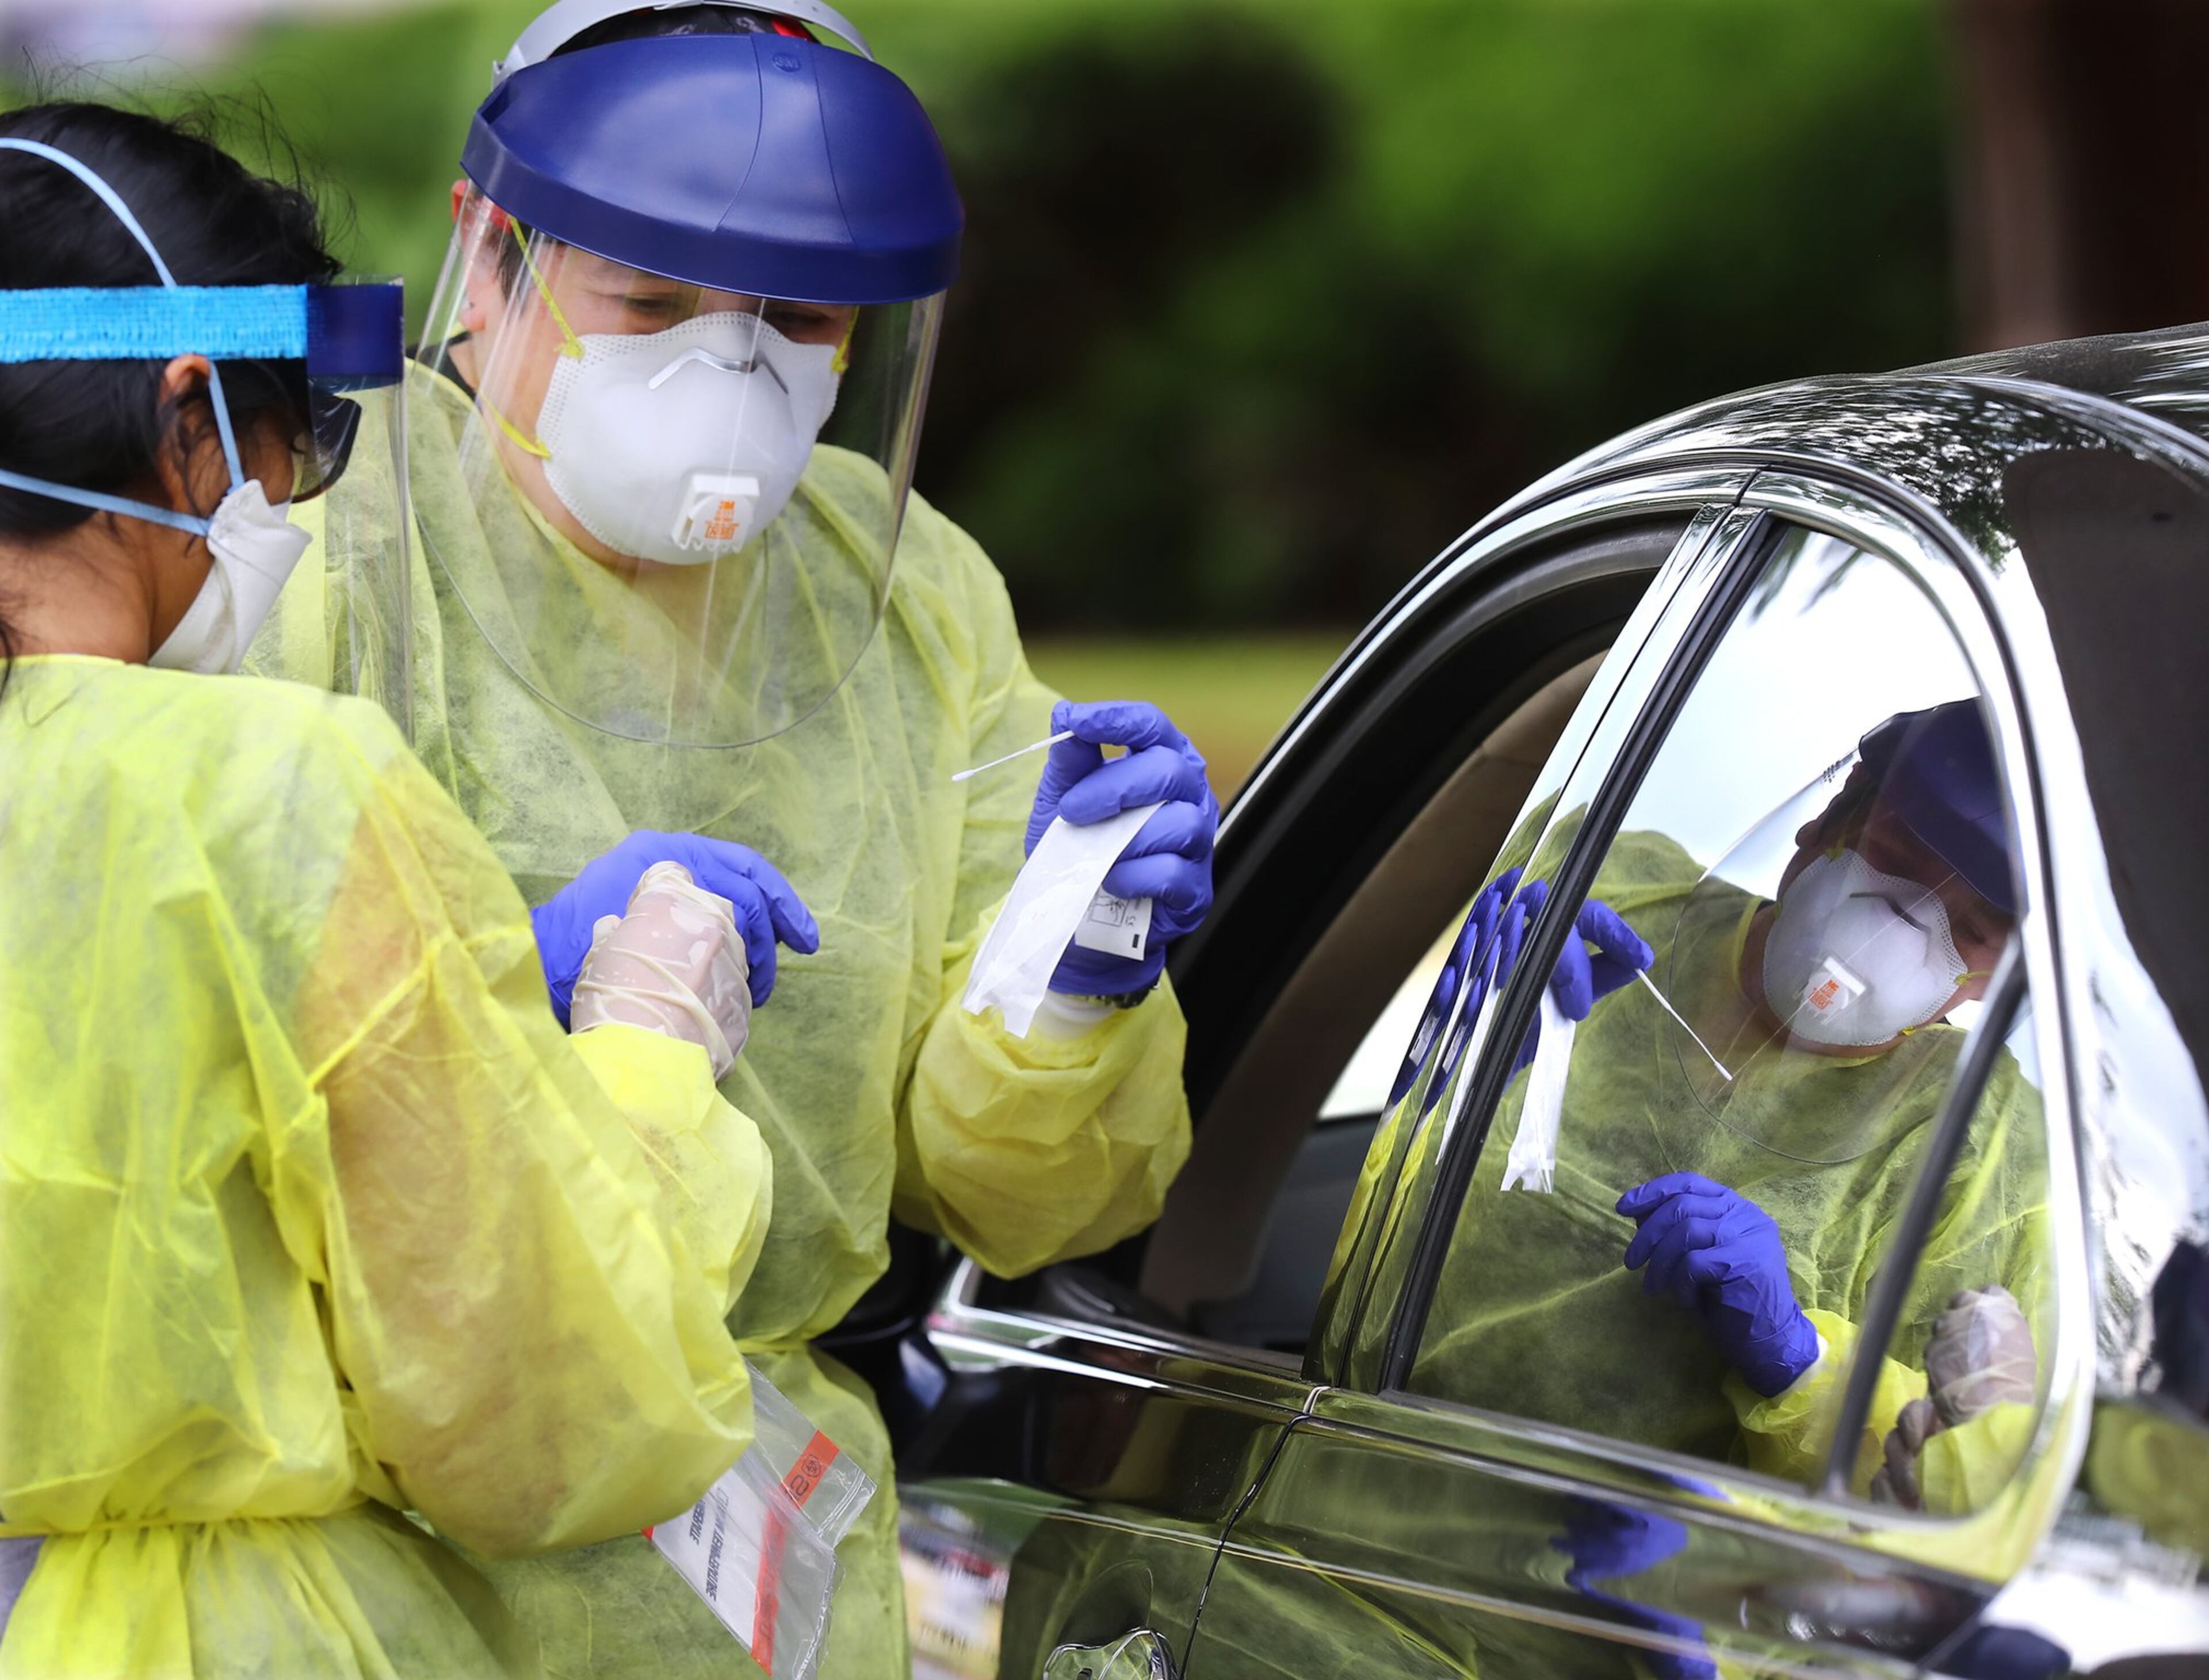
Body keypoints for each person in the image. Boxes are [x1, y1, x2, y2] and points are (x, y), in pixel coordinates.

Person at [253, 6, 1214, 1674]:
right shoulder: (311, 541)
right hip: (378, 1531)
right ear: (492, 271)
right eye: (651, 299)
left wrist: (1071, 978)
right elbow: (137, 1050)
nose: (732, 365)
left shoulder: (905, 595)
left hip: (745, 1540)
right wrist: (492, 979)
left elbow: (1004, 1197)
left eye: (799, 316)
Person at [0, 102, 789, 1677]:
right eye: (298, 448)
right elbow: (552, 1412)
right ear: (191, 423)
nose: (286, 513)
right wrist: (641, 1058)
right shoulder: (274, 790)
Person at [1405, 699, 2047, 1509]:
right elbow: (1376, 1225)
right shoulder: (1602, 896)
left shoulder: (1980, 1152)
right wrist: (1453, 1063)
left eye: (1974, 929)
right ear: (1828, 820)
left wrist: (1801, 1362)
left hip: (1632, 1606)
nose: (1899, 931)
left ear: (1997, 980)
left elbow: (1954, 1499)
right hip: (1360, 1501)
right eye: (1900, 857)